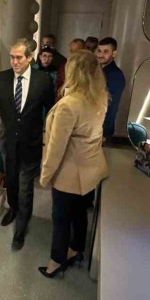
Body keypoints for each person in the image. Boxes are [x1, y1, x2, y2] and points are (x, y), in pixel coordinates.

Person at [38, 50, 109, 278]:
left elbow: (56, 148)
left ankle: (56, 261)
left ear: (73, 72)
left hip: (69, 172)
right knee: (80, 213)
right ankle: (77, 248)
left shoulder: (69, 105)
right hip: (91, 168)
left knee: (60, 219)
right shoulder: (100, 97)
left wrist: (45, 176)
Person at [0, 38, 56, 251]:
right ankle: (13, 209)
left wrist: (49, 141)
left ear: (30, 58)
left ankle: (21, 229)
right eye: (11, 57)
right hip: (8, 142)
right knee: (11, 181)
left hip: (31, 143)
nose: (14, 62)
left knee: (25, 188)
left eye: (18, 57)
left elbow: (51, 112)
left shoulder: (43, 80)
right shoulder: (1, 79)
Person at [96, 37, 125, 141]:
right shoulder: (98, 70)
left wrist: (105, 132)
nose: (101, 55)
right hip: (94, 126)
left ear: (114, 53)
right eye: (99, 51)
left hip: (102, 130)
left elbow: (111, 105)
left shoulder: (115, 75)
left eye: (105, 51)